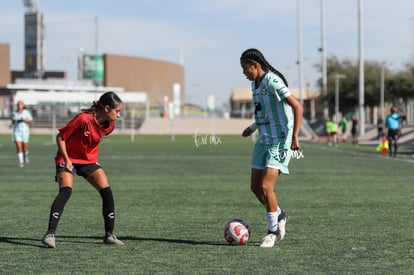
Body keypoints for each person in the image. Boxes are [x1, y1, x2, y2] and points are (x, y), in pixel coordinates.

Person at [41, 91, 124, 248]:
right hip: (67, 158)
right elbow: (61, 137)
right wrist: (66, 160)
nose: (119, 115)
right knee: (66, 191)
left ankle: (109, 235)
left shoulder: (110, 126)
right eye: (117, 111)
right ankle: (49, 234)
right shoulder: (83, 119)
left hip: (88, 161)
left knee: (107, 191)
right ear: (107, 108)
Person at [240, 48, 303, 248]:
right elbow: (264, 113)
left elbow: (297, 106)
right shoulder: (255, 84)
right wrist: (252, 128)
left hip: (280, 140)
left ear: (255, 65)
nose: (244, 73)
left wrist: (295, 136)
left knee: (267, 187)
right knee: (255, 188)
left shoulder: (273, 81)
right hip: (264, 139)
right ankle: (280, 214)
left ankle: (273, 232)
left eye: (245, 68)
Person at [11, 100, 33, 167]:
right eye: (18, 105)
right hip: (17, 132)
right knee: (18, 147)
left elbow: (31, 121)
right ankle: (21, 162)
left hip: (25, 132)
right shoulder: (14, 113)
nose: (19, 106)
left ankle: (25, 155)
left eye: (20, 105)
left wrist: (25, 119)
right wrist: (13, 120)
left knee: (24, 148)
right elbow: (12, 122)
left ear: (23, 106)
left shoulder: (26, 113)